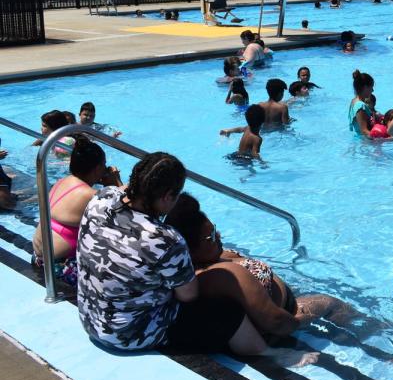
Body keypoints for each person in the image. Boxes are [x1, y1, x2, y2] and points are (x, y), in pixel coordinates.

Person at [75, 153, 269, 357]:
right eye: (176, 196)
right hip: (127, 336)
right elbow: (188, 296)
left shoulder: (101, 197)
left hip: (90, 320)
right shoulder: (165, 239)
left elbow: (122, 195)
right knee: (227, 312)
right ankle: (269, 354)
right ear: (167, 197)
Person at [164, 194, 350, 350]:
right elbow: (275, 322)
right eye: (211, 236)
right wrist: (301, 320)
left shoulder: (202, 262)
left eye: (215, 229)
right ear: (191, 252)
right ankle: (358, 344)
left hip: (276, 302)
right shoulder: (225, 275)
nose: (218, 236)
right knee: (336, 306)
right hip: (285, 318)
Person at [31, 138, 122, 284]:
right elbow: (126, 213)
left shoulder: (62, 182)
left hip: (37, 257)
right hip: (60, 267)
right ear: (98, 168)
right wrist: (115, 182)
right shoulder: (90, 195)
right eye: (104, 165)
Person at [348, 70, 376, 138]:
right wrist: (386, 139)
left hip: (358, 139)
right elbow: (364, 131)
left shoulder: (353, 101)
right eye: (371, 87)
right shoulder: (360, 106)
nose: (372, 90)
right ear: (365, 87)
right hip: (364, 143)